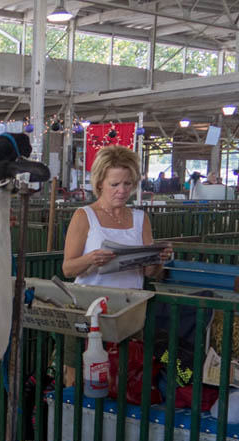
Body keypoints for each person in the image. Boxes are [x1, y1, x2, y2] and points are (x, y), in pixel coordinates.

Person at [61, 144, 173, 385]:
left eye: (128, 184)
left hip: (129, 311)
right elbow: (68, 268)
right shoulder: (84, 216)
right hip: (89, 308)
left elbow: (148, 273)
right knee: (79, 375)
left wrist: (157, 259)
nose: (122, 191)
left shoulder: (140, 218)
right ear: (100, 182)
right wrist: (91, 259)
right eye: (115, 184)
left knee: (126, 373)